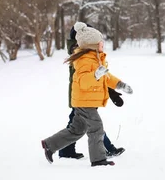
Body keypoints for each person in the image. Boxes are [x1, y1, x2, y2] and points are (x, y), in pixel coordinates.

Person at [41, 22, 133, 167]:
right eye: (100, 42)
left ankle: (50, 145)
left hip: (85, 100)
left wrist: (120, 85)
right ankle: (98, 160)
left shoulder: (95, 58)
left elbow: (106, 77)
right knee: (96, 127)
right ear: (92, 44)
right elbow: (84, 81)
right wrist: (96, 75)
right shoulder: (84, 60)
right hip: (84, 101)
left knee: (76, 130)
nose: (103, 43)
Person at [58, 25, 125, 159]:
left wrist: (111, 91)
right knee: (92, 124)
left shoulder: (86, 50)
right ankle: (107, 148)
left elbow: (101, 76)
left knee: (80, 125)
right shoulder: (80, 52)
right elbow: (91, 77)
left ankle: (65, 150)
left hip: (87, 94)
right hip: (83, 95)